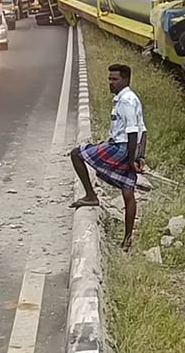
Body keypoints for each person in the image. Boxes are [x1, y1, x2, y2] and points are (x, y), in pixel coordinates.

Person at [70, 63, 147, 250]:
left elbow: (132, 133)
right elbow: (143, 130)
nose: (110, 83)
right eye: (109, 79)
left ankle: (90, 195)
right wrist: (140, 156)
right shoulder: (131, 98)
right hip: (130, 149)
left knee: (77, 154)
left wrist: (130, 160)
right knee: (128, 191)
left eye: (115, 79)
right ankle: (128, 239)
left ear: (126, 79)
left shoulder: (126, 101)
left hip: (121, 147)